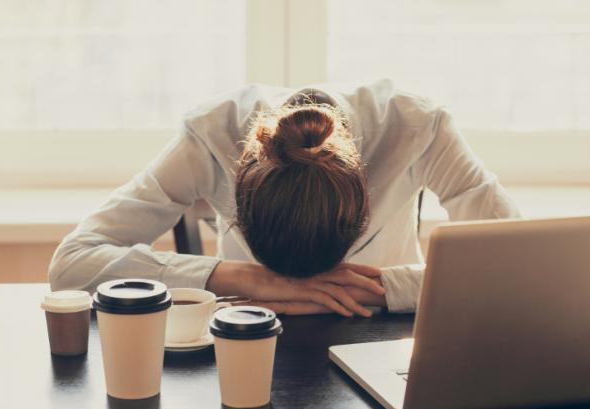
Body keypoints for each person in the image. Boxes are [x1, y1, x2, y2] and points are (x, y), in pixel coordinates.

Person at [49, 79, 520, 316]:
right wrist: (243, 278)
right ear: (240, 194)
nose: (310, 287)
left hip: (385, 333)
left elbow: (520, 263)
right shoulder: (212, 133)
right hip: (250, 323)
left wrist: (382, 287)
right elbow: (72, 263)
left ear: (362, 196)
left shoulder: (419, 127)